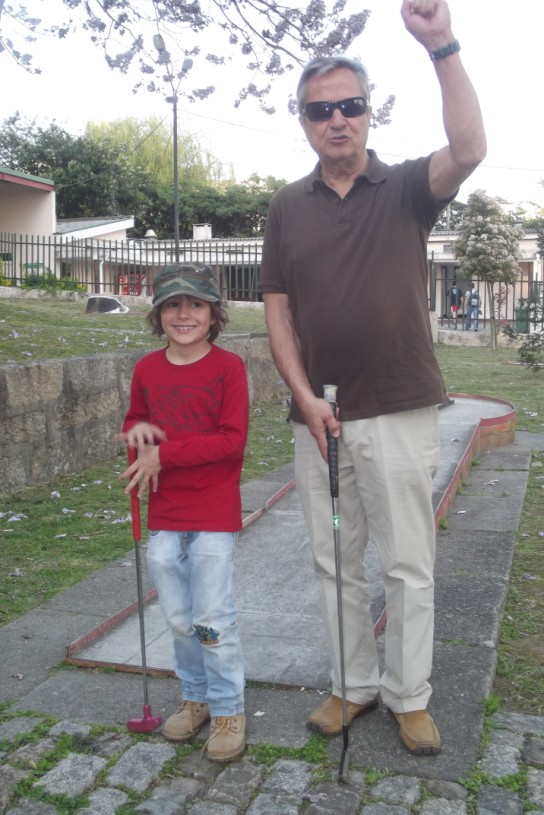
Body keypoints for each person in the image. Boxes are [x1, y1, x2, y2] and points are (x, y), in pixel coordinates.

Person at [259, 0, 486, 756]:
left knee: (406, 561)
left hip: (397, 406)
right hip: (318, 418)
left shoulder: (409, 188)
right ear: (304, 121)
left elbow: (472, 145)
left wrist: (442, 46)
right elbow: (279, 315)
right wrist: (301, 398)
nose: (338, 120)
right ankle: (353, 684)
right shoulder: (286, 208)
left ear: (367, 114)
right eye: (321, 110)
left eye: (350, 106)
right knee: (335, 561)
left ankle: (409, 693)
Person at [117, 263, 249, 763]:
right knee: (177, 616)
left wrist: (163, 453)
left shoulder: (228, 369)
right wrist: (137, 439)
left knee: (213, 616)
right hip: (165, 512)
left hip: (213, 512)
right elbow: (136, 419)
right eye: (172, 304)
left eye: (195, 304)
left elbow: (232, 441)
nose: (184, 313)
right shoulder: (148, 368)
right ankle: (194, 698)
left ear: (213, 314)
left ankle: (227, 707)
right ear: (158, 315)